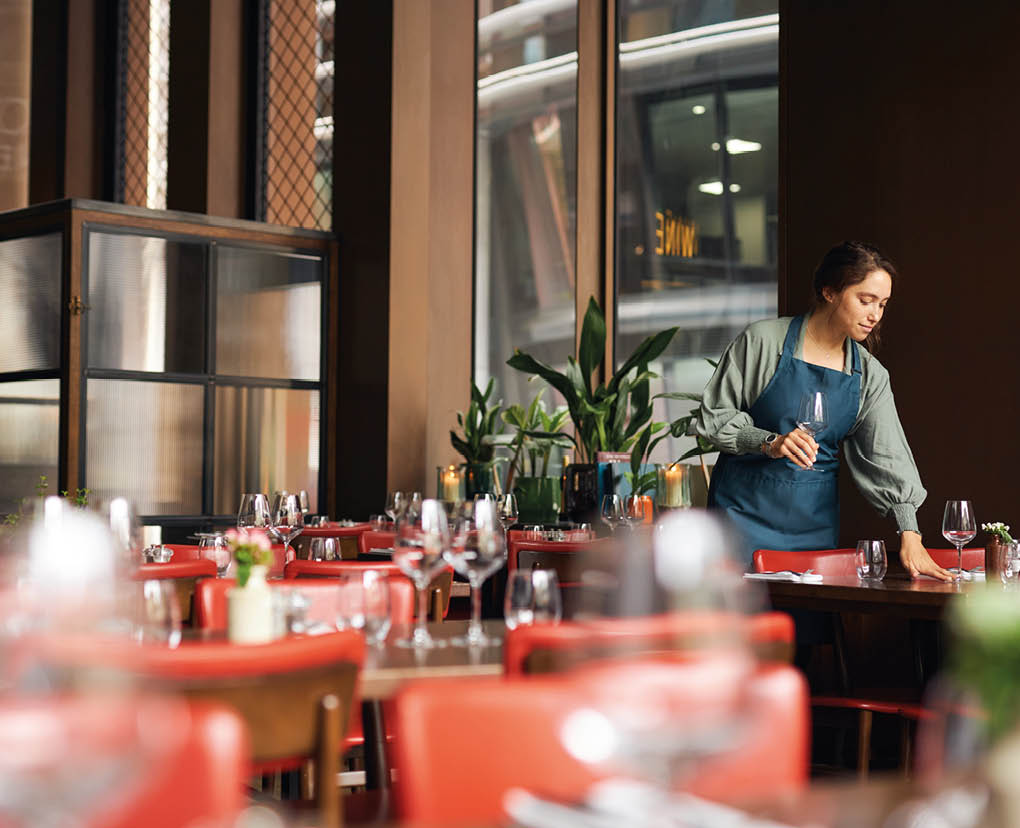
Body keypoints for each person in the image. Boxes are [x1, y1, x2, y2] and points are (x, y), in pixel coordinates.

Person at [696, 241, 951, 582]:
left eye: (883, 304)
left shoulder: (869, 375)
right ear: (829, 291)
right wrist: (769, 441)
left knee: (809, 629)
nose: (875, 315)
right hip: (741, 519)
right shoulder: (763, 342)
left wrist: (910, 533)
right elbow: (715, 415)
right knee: (742, 630)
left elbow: (888, 456)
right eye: (865, 300)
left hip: (814, 529)